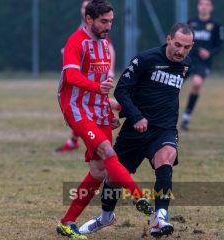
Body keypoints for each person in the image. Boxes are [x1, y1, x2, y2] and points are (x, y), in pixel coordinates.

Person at [79, 22, 194, 238]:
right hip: (135, 130)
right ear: (168, 39)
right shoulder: (145, 59)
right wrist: (136, 116)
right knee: (113, 177)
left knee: (166, 158)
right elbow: (122, 90)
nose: (181, 51)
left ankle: (160, 218)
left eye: (187, 47)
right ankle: (105, 217)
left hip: (164, 129)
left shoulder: (186, 65)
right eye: (178, 45)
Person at [56, 1, 153, 239]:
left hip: (96, 110)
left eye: (111, 21)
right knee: (108, 151)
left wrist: (107, 110)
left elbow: (102, 90)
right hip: (77, 110)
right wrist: (97, 89)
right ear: (89, 19)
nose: (108, 26)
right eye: (103, 21)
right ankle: (139, 196)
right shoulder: (75, 41)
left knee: (99, 172)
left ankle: (67, 223)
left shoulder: (105, 44)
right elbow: (71, 76)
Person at [56, 0, 120, 153]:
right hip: (82, 81)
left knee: (87, 105)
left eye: (87, 7)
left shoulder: (99, 28)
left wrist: (109, 70)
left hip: (93, 81)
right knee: (82, 107)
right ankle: (73, 140)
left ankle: (130, 110)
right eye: (83, 7)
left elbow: (110, 49)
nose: (84, 9)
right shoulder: (82, 31)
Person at [181, 0, 224, 131]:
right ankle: (165, 114)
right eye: (201, 4)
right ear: (198, 6)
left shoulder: (216, 25)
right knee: (175, 85)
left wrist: (209, 52)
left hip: (203, 62)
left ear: (211, 7)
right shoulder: (190, 23)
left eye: (207, 4)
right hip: (187, 60)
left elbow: (220, 46)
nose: (204, 7)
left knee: (197, 83)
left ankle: (186, 116)